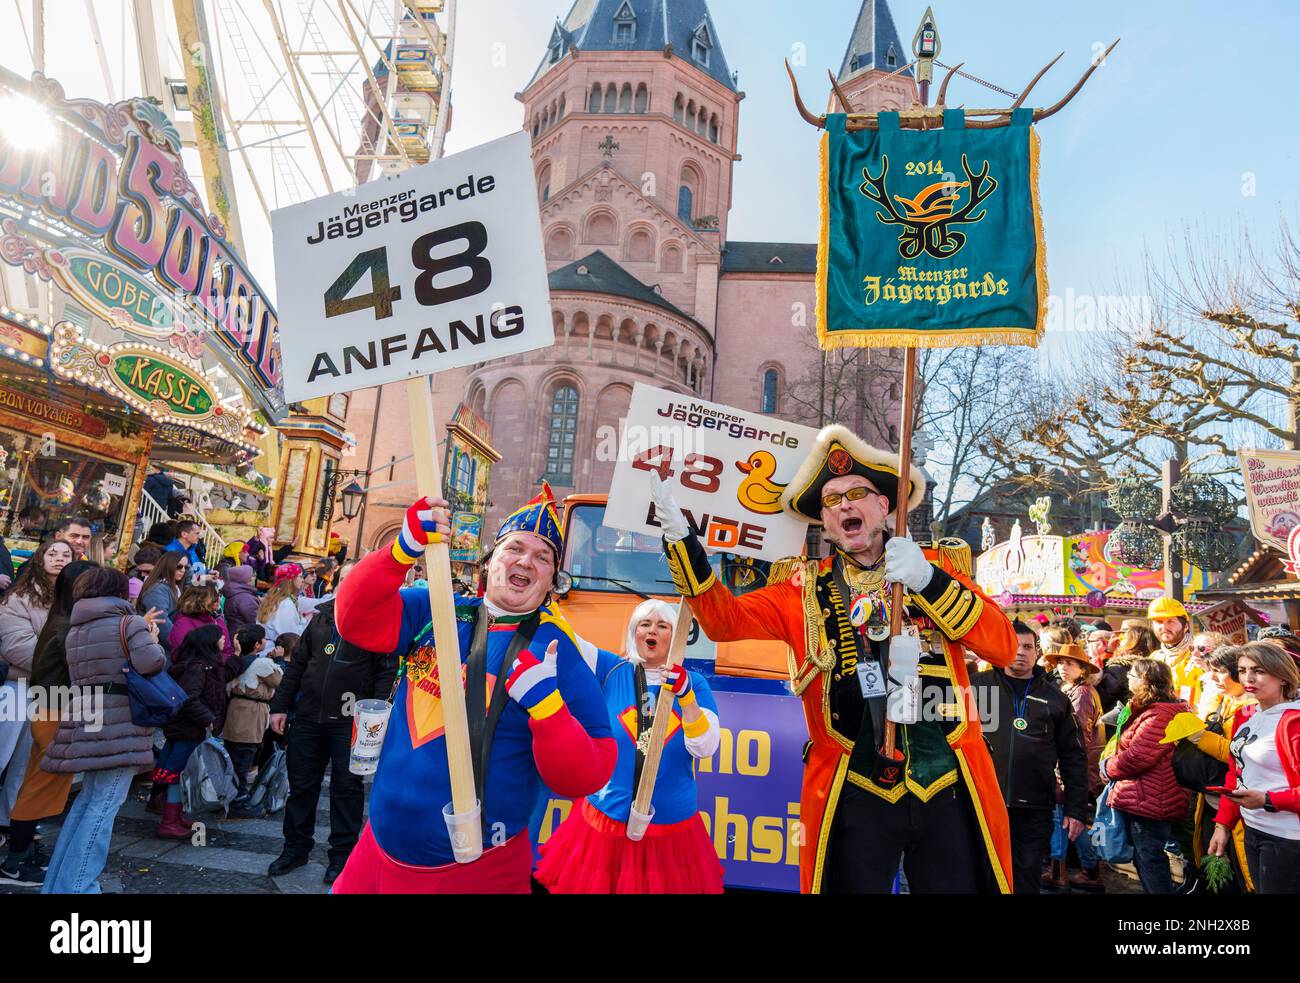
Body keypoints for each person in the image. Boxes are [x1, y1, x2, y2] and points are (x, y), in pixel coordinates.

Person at [655, 424, 1017, 894]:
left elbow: (1004, 647)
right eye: (831, 500)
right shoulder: (799, 589)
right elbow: (725, 621)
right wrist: (683, 540)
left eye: (857, 493)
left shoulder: (938, 567)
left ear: (884, 507)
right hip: (852, 791)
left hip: (948, 783)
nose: (844, 504)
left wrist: (928, 580)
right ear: (823, 522)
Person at [331, 484, 616, 893]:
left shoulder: (557, 651)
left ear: (552, 580)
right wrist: (401, 550)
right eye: (514, 548)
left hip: (475, 871)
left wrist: (549, 710)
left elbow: (588, 773)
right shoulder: (437, 609)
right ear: (490, 561)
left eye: (542, 557)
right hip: (376, 852)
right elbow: (355, 620)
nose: (526, 561)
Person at [535, 599, 724, 894]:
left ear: (675, 637)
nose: (652, 631)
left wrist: (686, 697)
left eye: (663, 626)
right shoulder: (611, 668)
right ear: (634, 632)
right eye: (645, 624)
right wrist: (540, 602)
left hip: (670, 829)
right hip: (605, 821)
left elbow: (706, 747)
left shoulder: (696, 684)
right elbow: (568, 638)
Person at [39, 567, 167, 893]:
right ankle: (80, 885)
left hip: (87, 716)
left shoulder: (77, 628)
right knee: (104, 805)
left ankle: (59, 884)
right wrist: (152, 639)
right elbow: (151, 662)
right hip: (120, 721)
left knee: (87, 803)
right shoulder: (130, 623)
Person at [266, 601, 395, 884]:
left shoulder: (378, 620)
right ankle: (295, 849)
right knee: (301, 787)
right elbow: (297, 664)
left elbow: (386, 673)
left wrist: (373, 715)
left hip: (351, 722)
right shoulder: (322, 618)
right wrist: (280, 706)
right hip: (309, 717)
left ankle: (342, 857)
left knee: (347, 790)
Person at [0, 559, 97, 887]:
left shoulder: (64, 619)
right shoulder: (67, 625)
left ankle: (22, 854)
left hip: (52, 705)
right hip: (55, 707)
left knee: (37, 788)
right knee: (37, 790)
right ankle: (15, 862)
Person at [970, 628, 1089, 894]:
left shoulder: (1056, 699)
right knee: (982, 877)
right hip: (983, 804)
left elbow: (1074, 756)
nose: (1020, 653)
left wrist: (1076, 809)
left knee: (1024, 879)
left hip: (1033, 808)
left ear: (1037, 653)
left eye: (1027, 647)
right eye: (1013, 646)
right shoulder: (976, 686)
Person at [1209, 641, 1300, 894]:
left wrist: (1267, 799)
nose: (1248, 678)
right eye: (1242, 670)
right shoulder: (1246, 715)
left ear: (1283, 677)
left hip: (1289, 838)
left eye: (1259, 670)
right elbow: (1236, 773)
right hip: (1252, 830)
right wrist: (1222, 825)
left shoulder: (1294, 721)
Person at [1099, 658, 1191, 894]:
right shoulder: (1151, 710)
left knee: (1149, 857)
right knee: (1145, 856)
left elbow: (1138, 757)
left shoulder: (1159, 715)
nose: (1128, 679)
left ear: (1145, 682)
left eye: (1132, 676)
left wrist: (1108, 766)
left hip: (1151, 797)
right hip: (1147, 794)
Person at [0, 539, 73, 829]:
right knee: (3, 755)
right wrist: (61, 664)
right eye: (52, 553)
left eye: (66, 555)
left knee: (27, 764)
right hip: (18, 687)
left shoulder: (71, 603)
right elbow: (16, 646)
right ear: (40, 558)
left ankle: (9, 823)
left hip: (48, 693)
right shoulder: (19, 598)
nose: (58, 558)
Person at [1179, 644, 1256, 892]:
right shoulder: (1221, 701)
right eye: (1211, 670)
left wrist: (1200, 736)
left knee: (1240, 872)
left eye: (1220, 670)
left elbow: (1237, 754)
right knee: (1216, 866)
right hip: (1212, 799)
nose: (1212, 676)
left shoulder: (1252, 708)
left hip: (1239, 804)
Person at [152, 625, 239, 839]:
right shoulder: (198, 668)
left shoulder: (204, 665)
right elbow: (189, 698)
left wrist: (237, 655)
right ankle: (169, 821)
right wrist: (208, 719)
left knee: (178, 772)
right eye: (220, 637)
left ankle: (175, 815)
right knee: (179, 774)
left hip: (186, 728)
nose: (224, 640)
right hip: (188, 729)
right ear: (210, 642)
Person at [1045, 641, 1106, 891]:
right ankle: (1090, 871)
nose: (1062, 667)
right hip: (1074, 767)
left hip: (1073, 768)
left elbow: (1077, 737)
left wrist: (1061, 769)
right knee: (1073, 821)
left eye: (1069, 663)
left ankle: (1058, 873)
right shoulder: (1072, 689)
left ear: (1082, 669)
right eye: (1060, 663)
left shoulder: (1081, 693)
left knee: (1063, 818)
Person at [222, 624, 283, 818]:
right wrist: (279, 660)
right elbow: (280, 681)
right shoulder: (262, 664)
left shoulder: (237, 661)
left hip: (235, 712)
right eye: (263, 639)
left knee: (234, 756)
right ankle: (238, 802)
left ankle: (230, 797)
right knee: (243, 757)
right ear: (257, 644)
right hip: (250, 715)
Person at [1096, 620, 1158, 714]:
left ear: (1132, 644)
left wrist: (1107, 653)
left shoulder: (1119, 668)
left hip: (1114, 723)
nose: (1120, 639)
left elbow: (1098, 697)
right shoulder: (1153, 667)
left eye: (1124, 636)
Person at [135, 551, 189, 649]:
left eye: (186, 567)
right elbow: (161, 623)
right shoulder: (158, 590)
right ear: (168, 565)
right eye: (179, 566)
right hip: (159, 649)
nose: (183, 570)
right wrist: (183, 648)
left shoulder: (172, 587)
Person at [168, 583, 232, 659]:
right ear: (202, 600)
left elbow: (228, 651)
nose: (220, 599)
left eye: (219, 595)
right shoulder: (182, 624)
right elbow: (181, 656)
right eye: (215, 597)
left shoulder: (218, 620)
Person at [258, 564, 309, 644]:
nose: (303, 580)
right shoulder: (285, 604)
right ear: (290, 580)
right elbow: (291, 636)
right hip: (277, 650)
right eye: (300, 576)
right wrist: (306, 621)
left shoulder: (274, 597)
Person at [222, 565, 260, 634]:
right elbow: (256, 621)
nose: (254, 578)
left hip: (235, 634)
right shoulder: (245, 598)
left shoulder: (235, 593)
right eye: (251, 576)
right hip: (244, 638)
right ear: (244, 579)